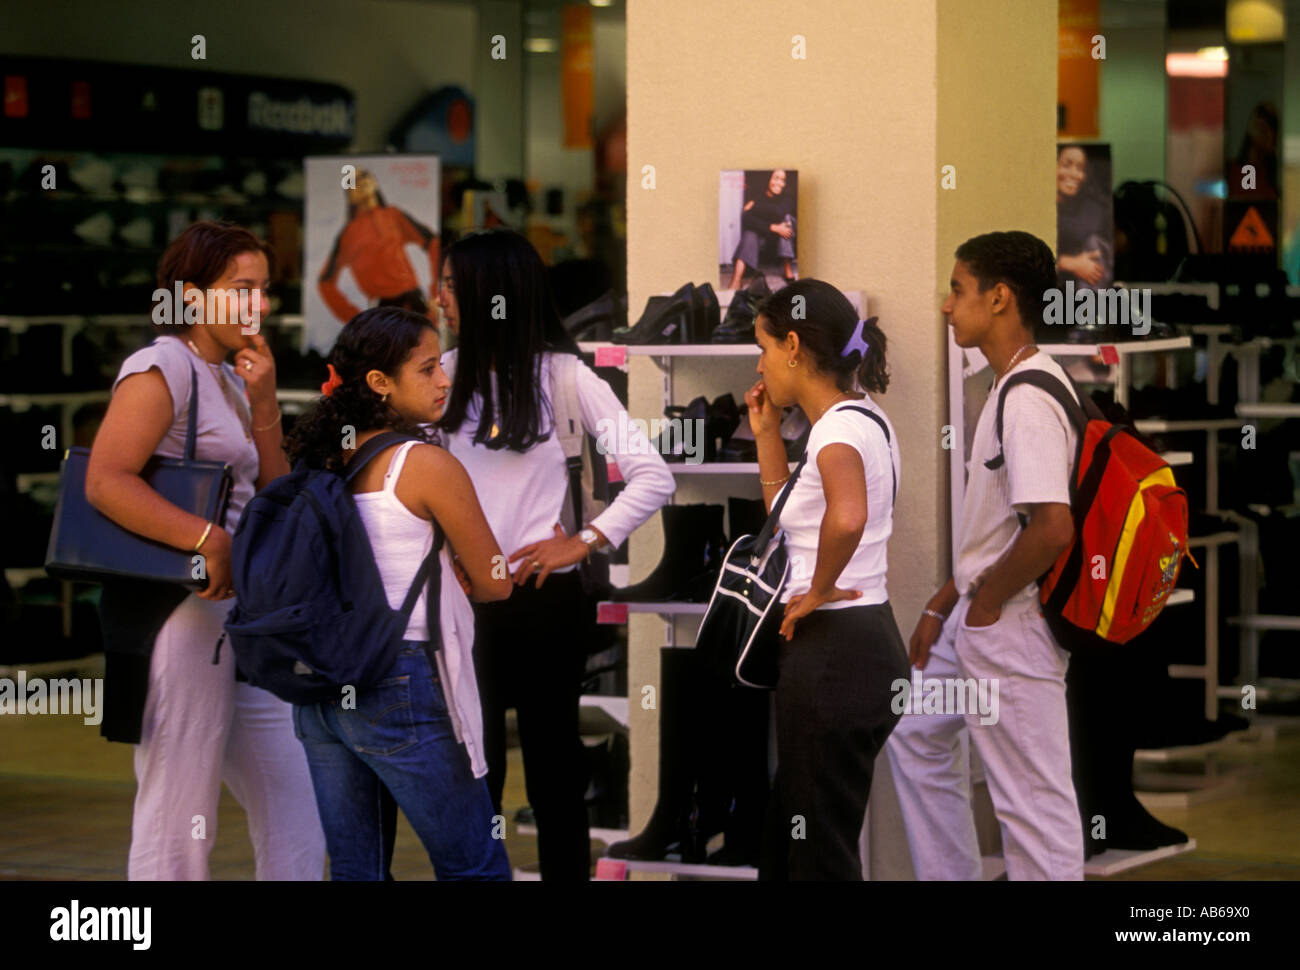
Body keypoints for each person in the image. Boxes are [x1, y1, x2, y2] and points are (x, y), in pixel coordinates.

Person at [85, 220, 325, 880]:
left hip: (240, 617)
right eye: (241, 288)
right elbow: (105, 479)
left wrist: (266, 398)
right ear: (192, 297)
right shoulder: (163, 367)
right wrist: (207, 538)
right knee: (178, 805)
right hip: (177, 612)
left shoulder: (226, 379)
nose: (259, 304)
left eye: (264, 289)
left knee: (295, 792)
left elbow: (274, 493)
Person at [435, 229, 675, 880]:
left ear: (493, 294)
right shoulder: (443, 377)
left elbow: (654, 474)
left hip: (549, 603)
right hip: (463, 604)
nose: (441, 299)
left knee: (554, 777)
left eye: (453, 286)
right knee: (474, 772)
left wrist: (584, 540)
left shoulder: (567, 377)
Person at [283, 306, 515, 880]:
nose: (444, 380)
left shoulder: (318, 458)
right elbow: (495, 581)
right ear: (380, 383)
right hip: (400, 677)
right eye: (428, 368)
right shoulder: (424, 464)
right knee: (474, 867)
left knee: (357, 871)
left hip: (320, 684)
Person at [886, 230, 1084, 881]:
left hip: (1010, 624)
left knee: (1033, 806)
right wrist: (947, 601)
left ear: (999, 298)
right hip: (979, 612)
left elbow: (1052, 528)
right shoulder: (1012, 386)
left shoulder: (1026, 398)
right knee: (914, 732)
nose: (946, 306)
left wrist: (988, 602)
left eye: (958, 289)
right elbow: (1001, 526)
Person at [743, 279, 907, 881]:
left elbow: (848, 516)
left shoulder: (837, 431)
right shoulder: (862, 420)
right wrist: (766, 436)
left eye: (760, 348)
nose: (759, 364)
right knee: (795, 839)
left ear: (791, 345)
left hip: (836, 650)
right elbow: (792, 524)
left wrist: (816, 590)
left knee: (818, 855)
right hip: (862, 644)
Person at [318, 168, 440, 324]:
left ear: (374, 182)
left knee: (424, 346)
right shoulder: (347, 235)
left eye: (364, 176)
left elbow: (433, 243)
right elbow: (325, 281)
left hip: (415, 302)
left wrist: (435, 293)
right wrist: (354, 318)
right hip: (382, 311)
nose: (361, 181)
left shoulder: (393, 215)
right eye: (353, 182)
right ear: (349, 196)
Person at [727, 169, 797, 290]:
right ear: (768, 179)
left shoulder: (787, 196)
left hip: (779, 245)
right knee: (750, 232)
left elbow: (779, 212)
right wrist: (773, 227)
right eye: (776, 178)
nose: (779, 183)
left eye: (783, 180)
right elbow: (746, 217)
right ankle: (736, 278)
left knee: (786, 219)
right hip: (760, 245)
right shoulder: (758, 195)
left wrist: (754, 206)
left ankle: (787, 268)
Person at [1055, 145, 1111, 289]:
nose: (1074, 174)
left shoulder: (1095, 210)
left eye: (1080, 168)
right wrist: (1069, 263)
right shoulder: (1036, 208)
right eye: (1066, 165)